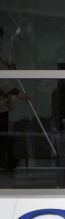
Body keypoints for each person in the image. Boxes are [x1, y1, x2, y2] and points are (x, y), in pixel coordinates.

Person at [0, 26, 30, 171]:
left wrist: (10, 64)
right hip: (1, 105)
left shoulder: (0, 52)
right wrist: (20, 95)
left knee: (4, 134)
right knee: (2, 135)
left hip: (4, 104)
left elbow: (6, 62)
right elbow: (3, 82)